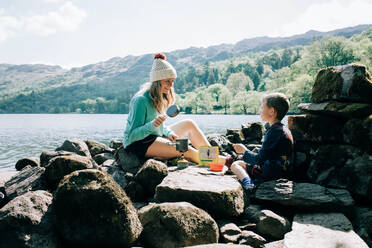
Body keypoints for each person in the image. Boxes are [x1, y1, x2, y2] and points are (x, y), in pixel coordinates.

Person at [123, 53, 232, 166]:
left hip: (154, 135)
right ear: (157, 81)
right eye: (167, 81)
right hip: (138, 144)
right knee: (186, 149)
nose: (170, 85)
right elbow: (132, 136)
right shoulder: (140, 100)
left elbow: (158, 127)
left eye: (172, 81)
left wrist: (169, 133)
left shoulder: (159, 96)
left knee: (189, 123)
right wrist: (153, 125)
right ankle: (225, 162)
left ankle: (212, 157)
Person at [229, 93, 294, 190]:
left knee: (236, 165)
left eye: (262, 107)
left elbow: (259, 160)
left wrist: (244, 151)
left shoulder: (273, 131)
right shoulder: (284, 129)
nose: (260, 111)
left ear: (272, 111)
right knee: (246, 159)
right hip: (283, 171)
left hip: (270, 174)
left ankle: (250, 186)